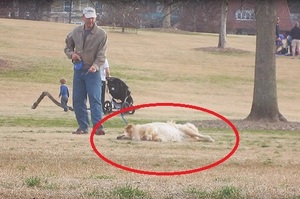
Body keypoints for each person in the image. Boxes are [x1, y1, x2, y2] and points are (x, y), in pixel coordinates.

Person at [64, 7, 107, 135]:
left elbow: (101, 55)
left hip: (93, 72)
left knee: (95, 99)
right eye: (88, 18)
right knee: (78, 100)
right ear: (83, 17)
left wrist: (95, 66)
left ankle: (98, 127)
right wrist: (71, 54)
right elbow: (67, 46)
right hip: (78, 70)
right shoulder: (76, 32)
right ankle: (83, 127)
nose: (90, 20)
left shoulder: (101, 34)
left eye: (93, 18)